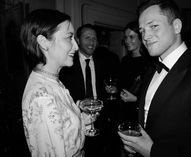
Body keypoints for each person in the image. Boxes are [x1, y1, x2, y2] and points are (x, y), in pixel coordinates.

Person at [118, 0, 191, 157]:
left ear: (176, 26)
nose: (146, 36)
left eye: (153, 26)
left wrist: (153, 151)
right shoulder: (151, 70)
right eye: (142, 30)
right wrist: (138, 145)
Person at [20, 9, 93, 157]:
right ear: (43, 42)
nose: (76, 46)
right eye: (69, 37)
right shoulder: (42, 98)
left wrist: (81, 118)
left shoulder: (51, 80)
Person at [60, 24, 120, 157]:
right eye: (87, 38)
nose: (92, 42)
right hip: (78, 120)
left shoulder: (104, 61)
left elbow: (111, 85)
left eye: (94, 38)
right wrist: (80, 104)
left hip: (101, 120)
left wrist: (113, 90)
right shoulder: (67, 64)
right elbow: (64, 95)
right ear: (78, 40)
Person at [119, 20, 150, 122]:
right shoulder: (125, 60)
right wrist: (116, 90)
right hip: (123, 112)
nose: (127, 41)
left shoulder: (150, 62)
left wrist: (136, 100)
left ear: (141, 38)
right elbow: (122, 84)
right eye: (125, 37)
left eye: (131, 37)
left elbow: (154, 95)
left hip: (140, 115)